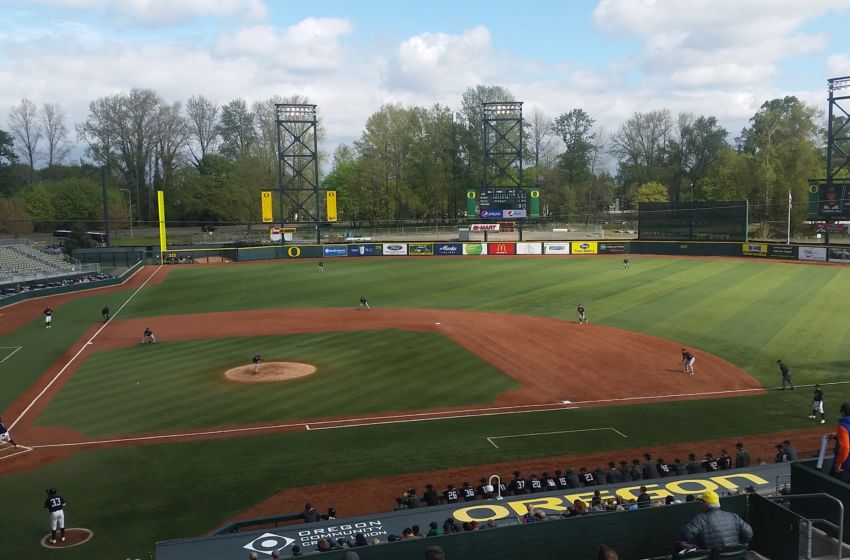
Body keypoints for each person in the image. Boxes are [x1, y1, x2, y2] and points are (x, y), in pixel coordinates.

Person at [680, 490, 752, 551]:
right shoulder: (733, 516)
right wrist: (737, 545)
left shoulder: (699, 519)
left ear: (705, 504)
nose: (700, 504)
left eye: (701, 502)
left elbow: (685, 536)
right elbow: (748, 534)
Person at [830, 402, 850, 482]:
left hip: (845, 463)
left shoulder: (843, 426)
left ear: (843, 412)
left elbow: (845, 447)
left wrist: (838, 464)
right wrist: (837, 436)